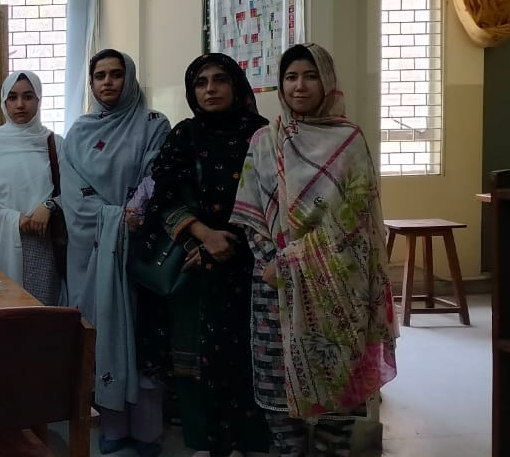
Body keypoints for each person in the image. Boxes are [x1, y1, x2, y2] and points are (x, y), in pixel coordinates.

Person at [230, 44, 397, 457]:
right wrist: (274, 263)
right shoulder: (264, 141)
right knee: (278, 388)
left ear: (327, 82)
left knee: (338, 385)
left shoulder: (350, 140)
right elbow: (251, 215)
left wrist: (296, 259)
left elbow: (357, 218)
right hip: (274, 287)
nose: (299, 86)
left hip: (338, 288)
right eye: (291, 77)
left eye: (310, 76)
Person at [135, 54, 271, 456]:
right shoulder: (185, 135)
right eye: (201, 83)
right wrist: (202, 236)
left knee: (250, 355)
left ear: (237, 86)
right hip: (193, 264)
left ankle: (250, 442)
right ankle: (203, 442)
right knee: (192, 359)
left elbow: (275, 199)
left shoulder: (262, 135)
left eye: (219, 80)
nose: (210, 89)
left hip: (252, 267)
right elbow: (163, 196)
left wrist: (232, 243)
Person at [61, 49, 170, 455]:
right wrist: (113, 218)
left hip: (138, 248)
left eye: (116, 74)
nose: (107, 82)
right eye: (99, 75)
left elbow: (156, 176)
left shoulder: (153, 124)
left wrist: (131, 215)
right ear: (90, 83)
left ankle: (147, 430)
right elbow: (73, 193)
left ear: (130, 78)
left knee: (142, 336)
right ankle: (112, 425)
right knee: (101, 329)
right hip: (92, 250)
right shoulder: (79, 132)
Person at [0, 71, 63, 305]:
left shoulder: (56, 144)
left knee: (39, 313)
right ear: (4, 102)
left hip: (42, 248)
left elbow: (74, 193)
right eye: (12, 97)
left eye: (28, 97)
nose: (20, 105)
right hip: (1, 247)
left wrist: (49, 205)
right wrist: (13, 219)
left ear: (38, 99)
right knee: (2, 313)